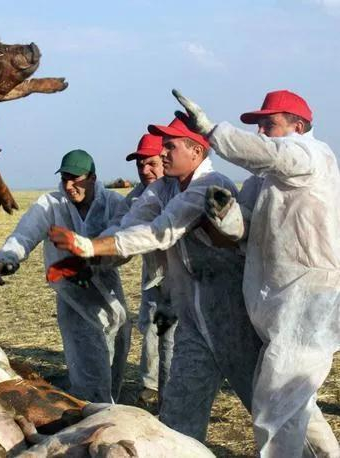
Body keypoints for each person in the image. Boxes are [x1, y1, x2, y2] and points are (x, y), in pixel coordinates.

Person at [49, 119, 263, 442]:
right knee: (179, 415)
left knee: (269, 407)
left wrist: (91, 247)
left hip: (231, 317)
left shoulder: (210, 185)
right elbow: (127, 224)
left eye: (169, 146)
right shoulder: (162, 189)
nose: (162, 154)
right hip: (192, 320)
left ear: (196, 151)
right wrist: (90, 257)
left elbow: (161, 231)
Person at [174, 89, 340, 457]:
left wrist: (211, 130)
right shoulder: (262, 181)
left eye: (269, 124)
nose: (261, 132)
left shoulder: (310, 154)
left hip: (308, 303)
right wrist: (226, 215)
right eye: (258, 126)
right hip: (277, 303)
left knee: (274, 411)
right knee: (294, 402)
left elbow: (270, 154)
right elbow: (243, 228)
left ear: (298, 127)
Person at [0, 149, 131, 403]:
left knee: (117, 357)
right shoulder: (51, 204)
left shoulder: (113, 203)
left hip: (109, 294)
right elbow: (26, 232)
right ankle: (94, 412)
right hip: (73, 297)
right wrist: (8, 257)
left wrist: (98, 253)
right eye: (65, 179)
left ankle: (112, 409)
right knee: (88, 366)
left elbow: (125, 241)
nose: (69, 186)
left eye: (75, 179)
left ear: (92, 178)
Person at [124, 134, 175, 405]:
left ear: (165, 160)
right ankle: (151, 386)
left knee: (176, 337)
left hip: (186, 278)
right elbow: (120, 229)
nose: (145, 170)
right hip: (154, 275)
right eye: (140, 165)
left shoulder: (180, 192)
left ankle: (172, 391)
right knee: (152, 329)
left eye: (151, 163)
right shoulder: (135, 198)